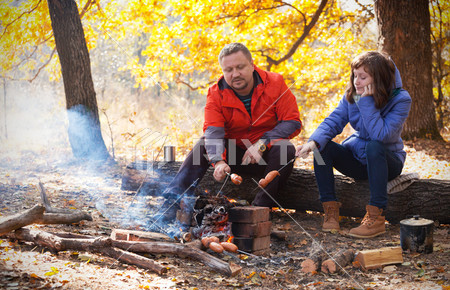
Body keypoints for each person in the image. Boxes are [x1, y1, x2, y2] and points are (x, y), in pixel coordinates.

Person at [149, 42, 302, 232]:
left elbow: (293, 122)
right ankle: (169, 206)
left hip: (265, 157)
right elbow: (213, 131)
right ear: (223, 71)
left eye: (240, 67)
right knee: (202, 145)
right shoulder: (216, 93)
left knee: (286, 149)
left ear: (252, 65)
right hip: (234, 156)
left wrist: (262, 143)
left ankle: (258, 210)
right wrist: (218, 161)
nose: (235, 74)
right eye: (228, 69)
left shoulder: (276, 83)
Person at [296, 51, 411, 238]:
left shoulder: (400, 99)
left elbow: (380, 135)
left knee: (373, 146)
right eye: (355, 75)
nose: (356, 81)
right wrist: (312, 142)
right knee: (321, 148)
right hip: (359, 160)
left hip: (387, 161)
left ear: (379, 78)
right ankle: (330, 210)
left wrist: (366, 101)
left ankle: (376, 216)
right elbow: (333, 120)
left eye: (363, 77)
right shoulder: (352, 94)